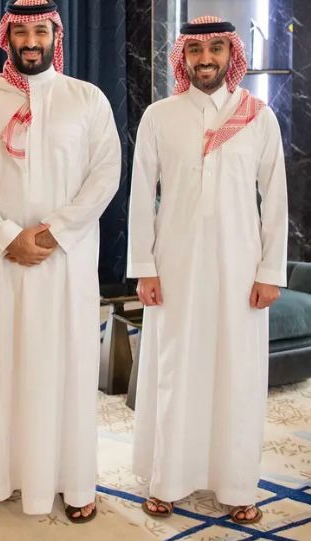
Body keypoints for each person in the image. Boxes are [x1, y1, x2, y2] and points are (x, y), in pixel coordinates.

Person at [0, 0, 121, 522]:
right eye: (21, 32)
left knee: (66, 368)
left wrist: (52, 233)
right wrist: (7, 236)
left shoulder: (86, 99)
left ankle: (74, 483)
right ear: (6, 37)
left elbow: (105, 175)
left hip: (65, 264)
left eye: (40, 31)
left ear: (55, 36)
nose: (31, 41)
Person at [127, 16, 288, 524]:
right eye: (196, 50)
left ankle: (237, 485)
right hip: (174, 266)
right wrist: (144, 267)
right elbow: (140, 197)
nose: (205, 59)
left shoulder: (259, 117)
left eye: (216, 49)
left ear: (230, 55)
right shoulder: (160, 116)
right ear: (184, 57)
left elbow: (276, 199)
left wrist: (270, 271)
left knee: (237, 374)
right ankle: (167, 480)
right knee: (175, 371)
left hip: (240, 268)